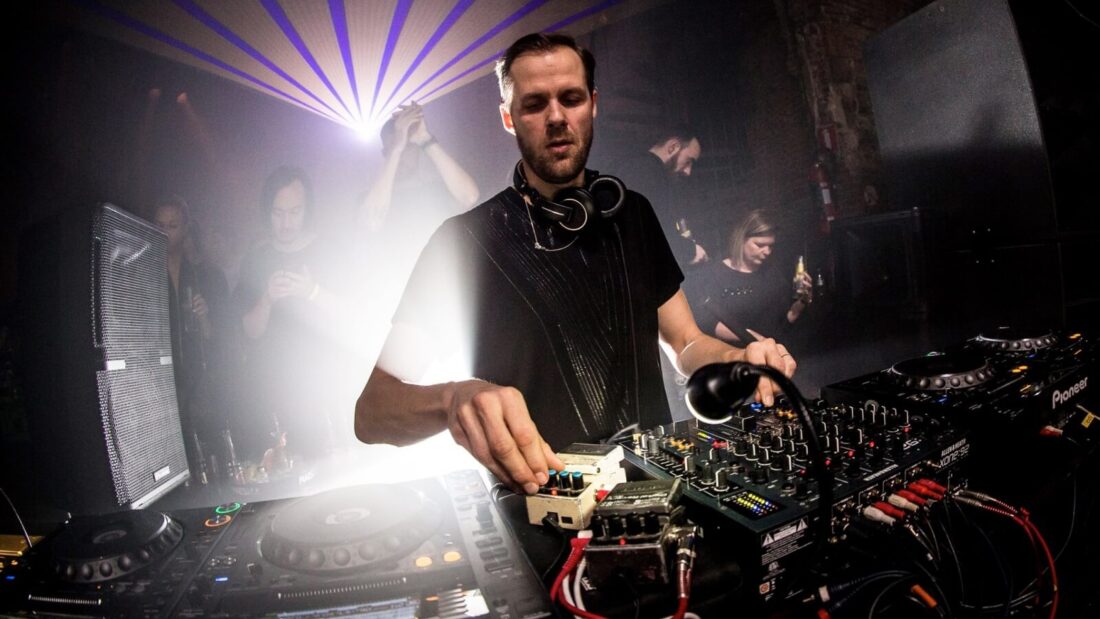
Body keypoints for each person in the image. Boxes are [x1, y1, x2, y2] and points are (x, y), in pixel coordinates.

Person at [354, 33, 796, 495]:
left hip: (660, 491)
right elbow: (372, 412)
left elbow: (686, 343)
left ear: (593, 104)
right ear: (508, 117)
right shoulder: (461, 243)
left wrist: (736, 361)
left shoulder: (633, 213)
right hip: (541, 507)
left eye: (571, 98)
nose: (557, 117)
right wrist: (452, 399)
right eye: (534, 104)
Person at [234, 166, 361, 463]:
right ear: (268, 212)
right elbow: (250, 330)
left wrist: (312, 291)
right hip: (277, 393)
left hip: (330, 386)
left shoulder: (330, 250)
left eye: (294, 212)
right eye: (278, 213)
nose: (286, 222)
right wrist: (267, 298)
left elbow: (354, 316)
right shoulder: (256, 258)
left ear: (307, 210)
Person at [358, 102, 480, 317]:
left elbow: (469, 197)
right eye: (395, 148)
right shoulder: (372, 199)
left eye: (408, 147)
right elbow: (372, 220)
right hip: (395, 301)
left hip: (442, 298)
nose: (403, 155)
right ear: (385, 152)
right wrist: (397, 147)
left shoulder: (436, 190)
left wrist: (425, 139)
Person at [153, 195, 232, 479]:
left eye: (172, 225)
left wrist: (205, 318)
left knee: (215, 457)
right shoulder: (144, 273)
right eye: (159, 225)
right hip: (162, 384)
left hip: (204, 383)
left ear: (186, 228)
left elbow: (225, 339)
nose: (165, 232)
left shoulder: (207, 275)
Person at [693, 209, 813, 345]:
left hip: (777, 351)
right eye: (760, 245)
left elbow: (783, 322)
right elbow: (707, 323)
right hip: (737, 354)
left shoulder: (773, 272)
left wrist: (801, 302)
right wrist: (755, 339)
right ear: (741, 239)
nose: (767, 252)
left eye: (770, 246)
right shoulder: (715, 274)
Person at [610, 127, 708, 268]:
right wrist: (690, 251)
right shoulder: (647, 172)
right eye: (688, 161)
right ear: (673, 147)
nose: (688, 171)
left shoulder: (632, 165)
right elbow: (646, 230)